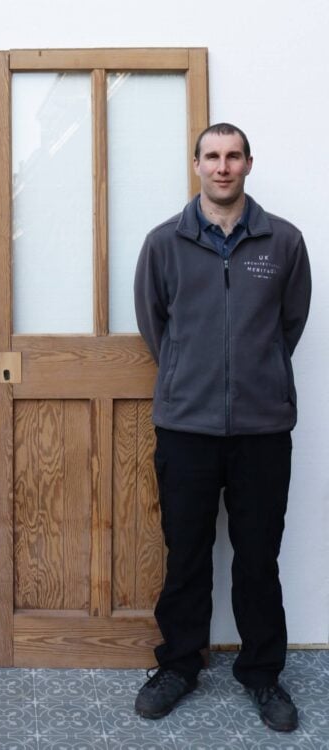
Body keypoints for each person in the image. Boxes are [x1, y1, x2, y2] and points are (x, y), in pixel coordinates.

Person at [133, 122, 311, 732]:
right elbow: (155, 324)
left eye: (234, 156)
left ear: (248, 164)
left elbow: (290, 324)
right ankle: (179, 666)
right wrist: (191, 373)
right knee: (186, 554)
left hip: (263, 429)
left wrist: (258, 373)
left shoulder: (283, 242)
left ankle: (262, 674)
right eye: (212, 156)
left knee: (258, 558)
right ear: (197, 166)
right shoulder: (165, 243)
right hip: (186, 426)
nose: (223, 166)